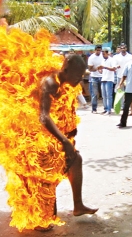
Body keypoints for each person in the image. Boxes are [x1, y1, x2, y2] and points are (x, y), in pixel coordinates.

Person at [39, 54, 98, 230]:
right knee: (47, 174)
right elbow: (43, 116)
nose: (80, 79)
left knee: (75, 161)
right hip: (40, 138)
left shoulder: (68, 83)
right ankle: (41, 217)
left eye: (82, 76)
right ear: (66, 70)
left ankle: (78, 206)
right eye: (78, 75)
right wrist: (64, 141)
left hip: (59, 137)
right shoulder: (50, 83)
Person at [99, 49, 117, 115]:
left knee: (109, 95)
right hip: (103, 79)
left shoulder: (112, 60)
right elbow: (101, 70)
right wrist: (99, 70)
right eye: (102, 54)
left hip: (109, 79)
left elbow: (114, 69)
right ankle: (105, 108)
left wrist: (105, 67)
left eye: (104, 54)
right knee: (104, 95)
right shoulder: (103, 60)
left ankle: (109, 109)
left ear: (107, 53)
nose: (103, 55)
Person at [87, 45, 103, 113]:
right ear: (95, 50)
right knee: (94, 93)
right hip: (94, 77)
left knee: (104, 94)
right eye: (97, 50)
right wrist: (97, 68)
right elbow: (90, 69)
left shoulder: (103, 56)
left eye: (100, 50)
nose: (98, 51)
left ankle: (106, 108)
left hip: (103, 76)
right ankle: (94, 108)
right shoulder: (91, 58)